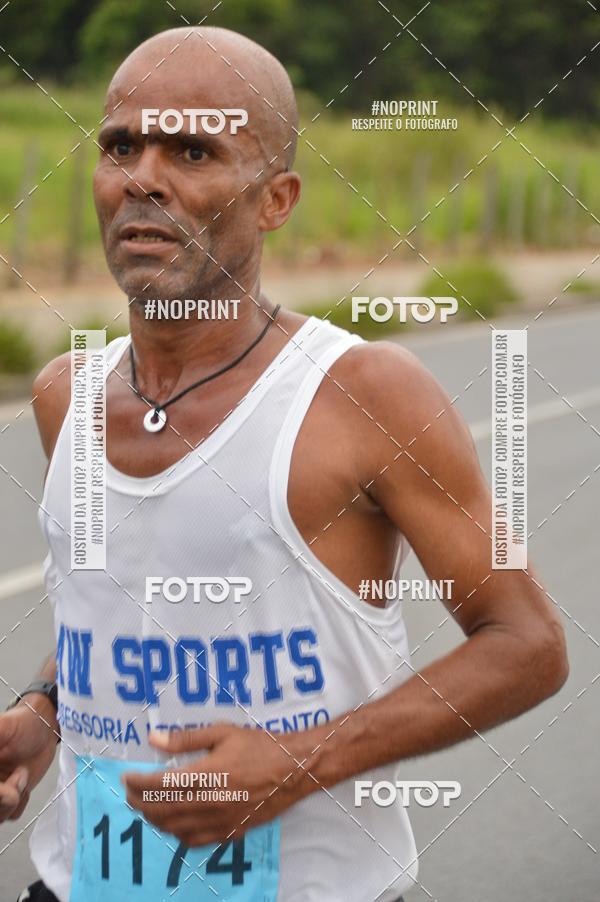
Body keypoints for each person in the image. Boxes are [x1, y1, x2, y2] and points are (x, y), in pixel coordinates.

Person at [1, 26, 567, 902]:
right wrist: (43, 712)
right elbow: (110, 600)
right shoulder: (63, 394)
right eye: (120, 146)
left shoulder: (366, 393)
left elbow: (528, 643)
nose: (142, 176)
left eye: (192, 150)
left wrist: (298, 765)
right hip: (79, 885)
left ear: (277, 199)